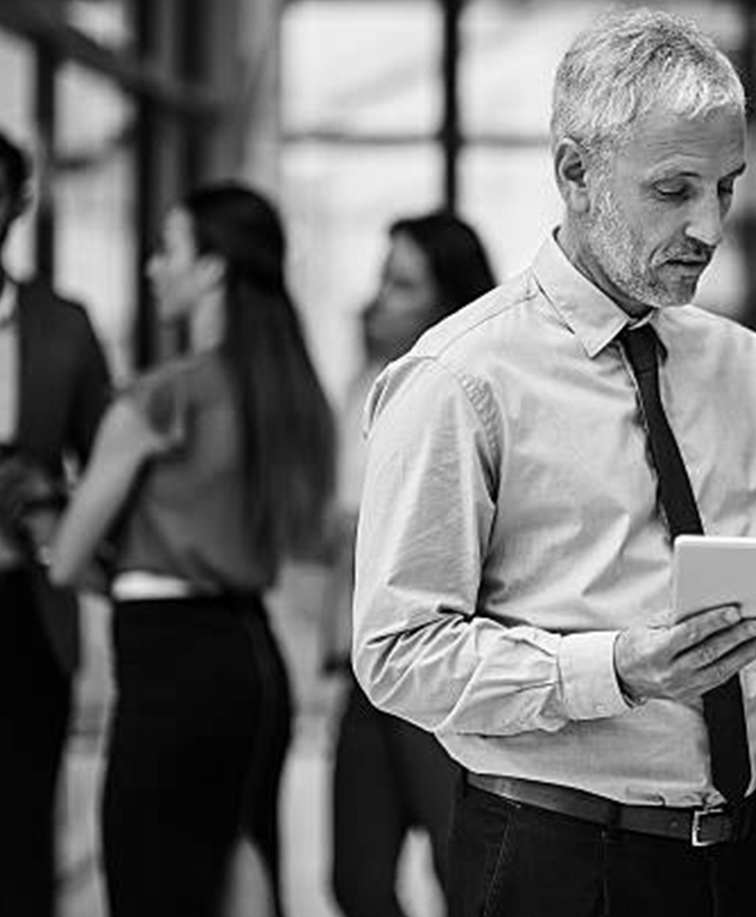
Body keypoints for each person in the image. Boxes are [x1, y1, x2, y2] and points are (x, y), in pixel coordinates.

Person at [352, 8, 756, 917]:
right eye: (674, 190)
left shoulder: (742, 368)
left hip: (737, 856)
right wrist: (620, 669)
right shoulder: (460, 378)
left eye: (726, 187)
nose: (709, 227)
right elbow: (397, 654)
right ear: (575, 172)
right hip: (555, 862)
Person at [47, 182, 336, 917]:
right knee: (244, 880)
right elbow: (304, 537)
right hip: (252, 662)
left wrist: (33, 504)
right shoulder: (291, 394)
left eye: (166, 249)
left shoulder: (161, 397)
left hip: (170, 664)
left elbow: (66, 559)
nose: (151, 267)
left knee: (149, 887)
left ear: (211, 268)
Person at [0, 120, 111, 917]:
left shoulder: (65, 326)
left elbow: (112, 474)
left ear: (18, 204)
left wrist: (40, 487)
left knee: (19, 831)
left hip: (25, 604)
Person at [326, 212, 495, 917]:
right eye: (382, 279)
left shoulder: (471, 392)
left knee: (462, 876)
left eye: (401, 284)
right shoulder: (366, 386)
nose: (377, 300)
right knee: (356, 879)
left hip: (442, 668)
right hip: (366, 673)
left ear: (446, 300)